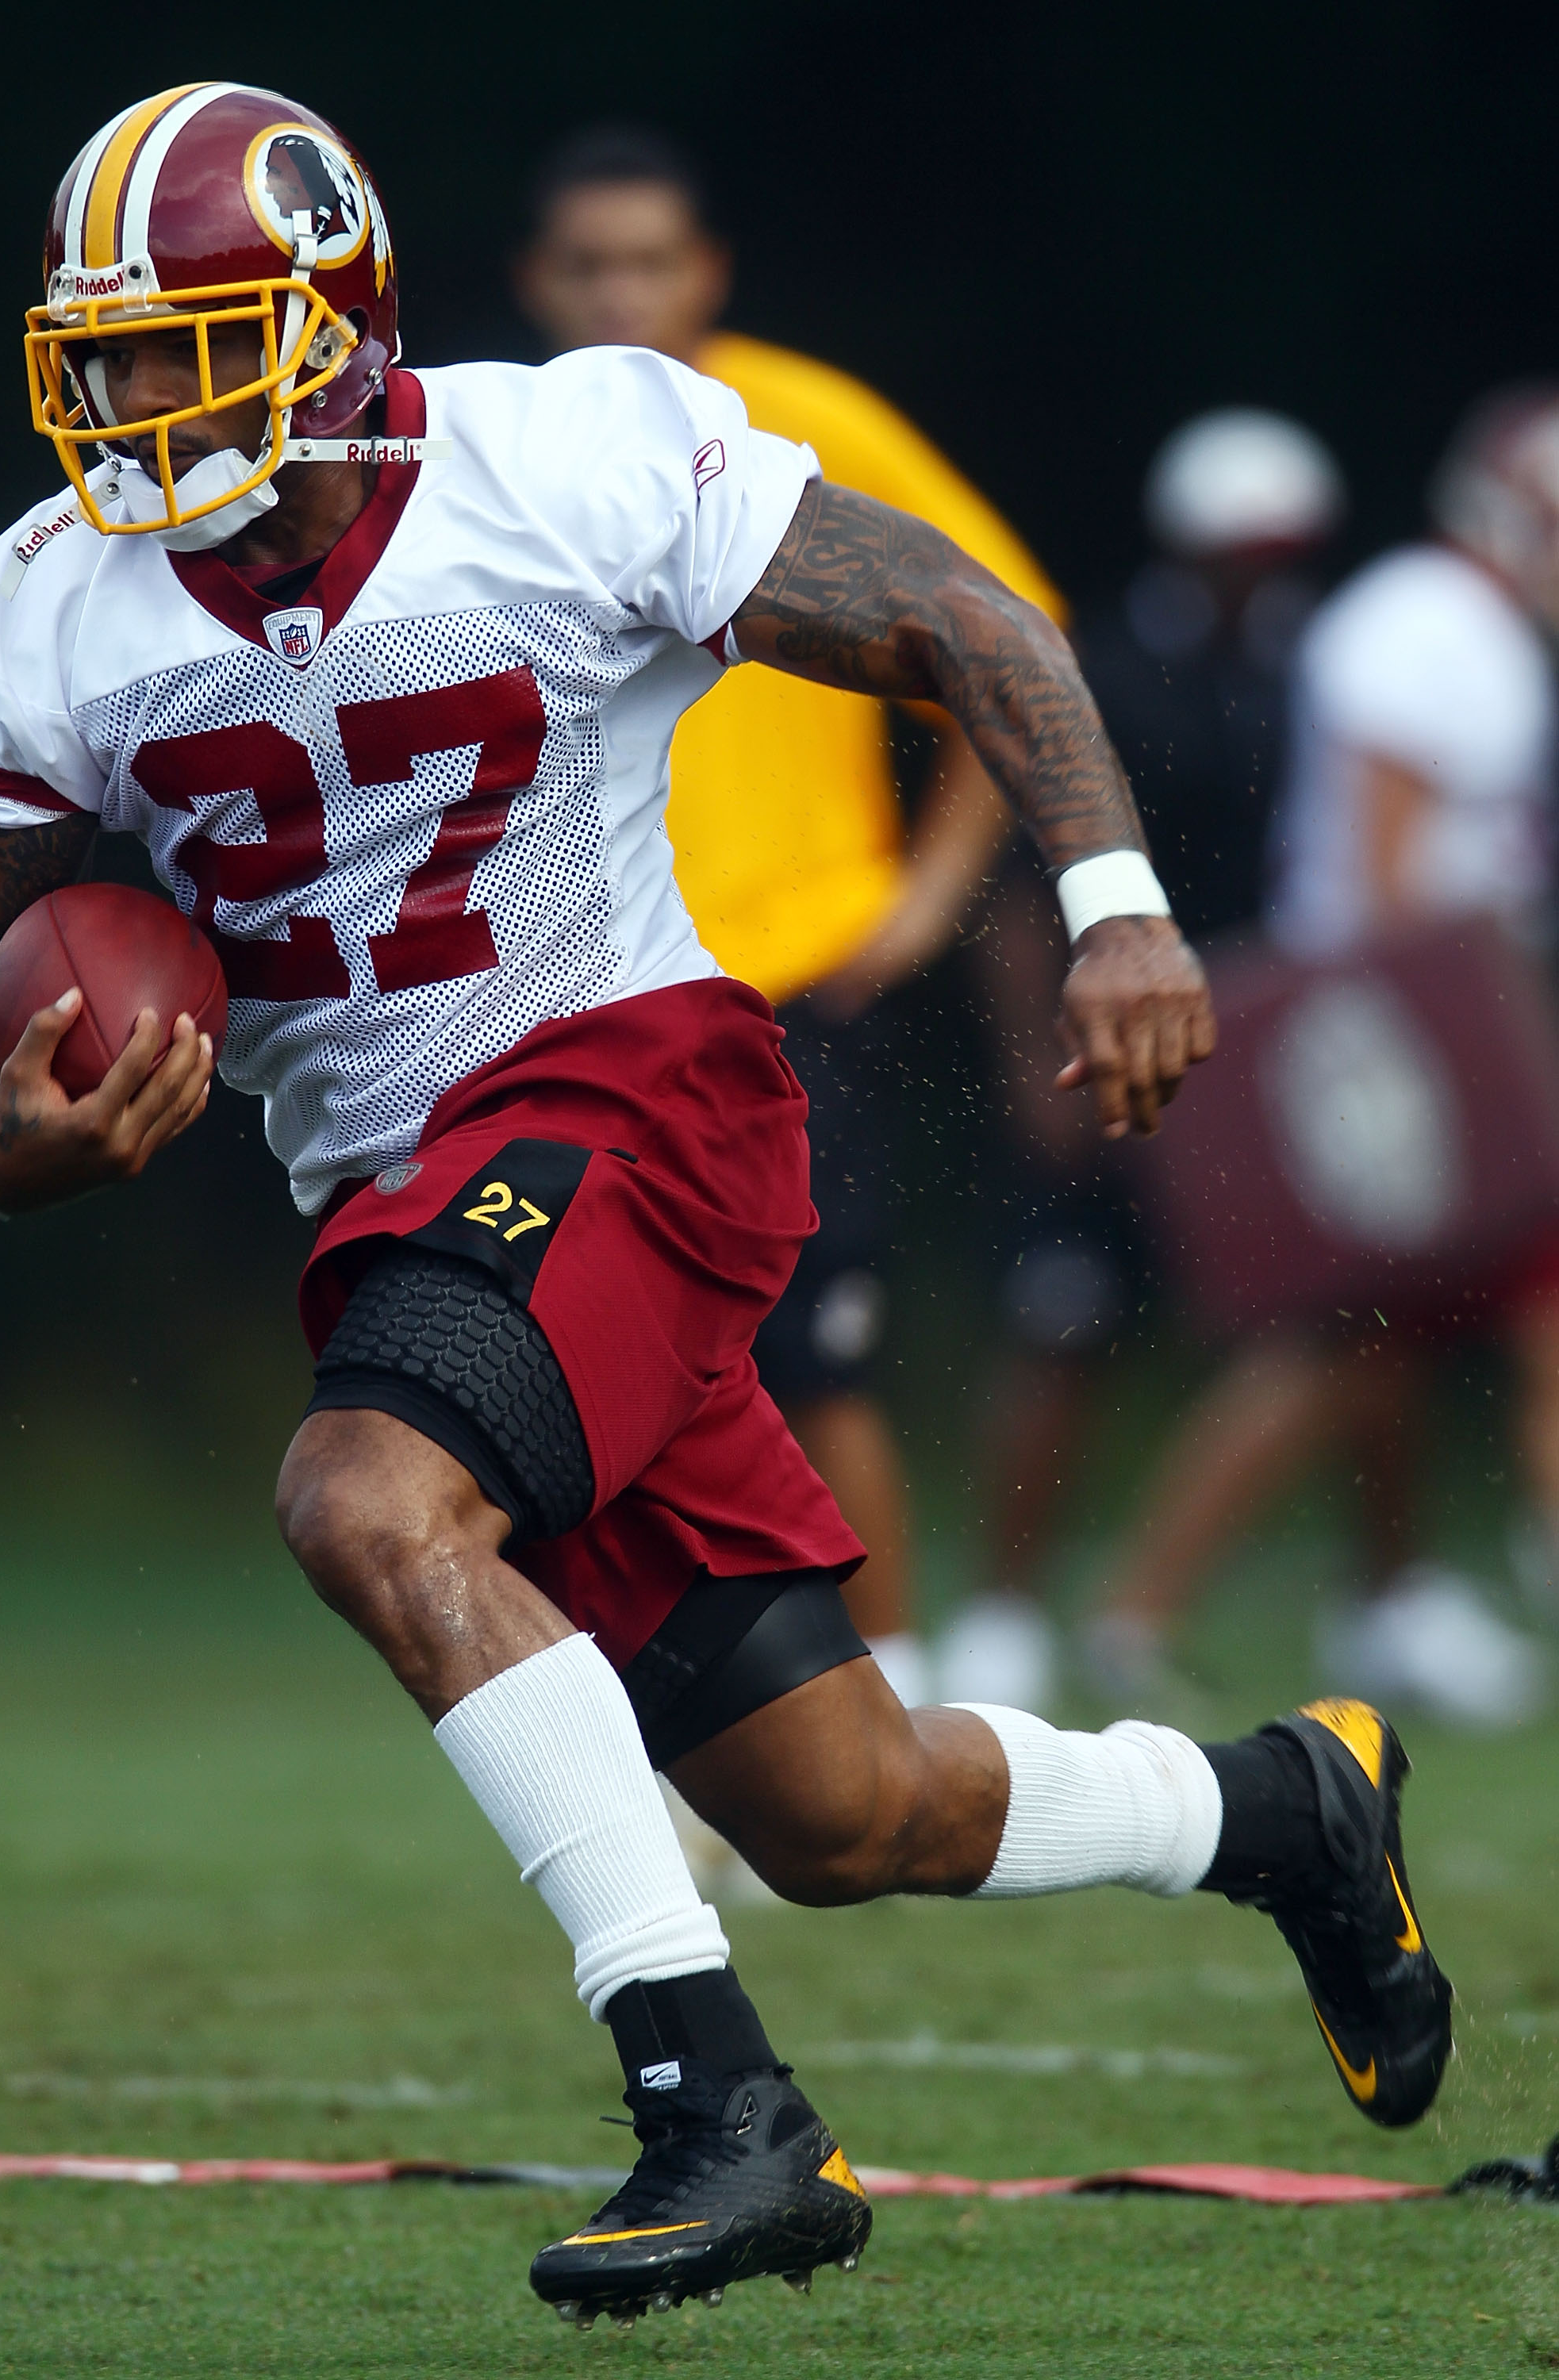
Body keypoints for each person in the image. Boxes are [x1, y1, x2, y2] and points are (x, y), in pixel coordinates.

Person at [0, 83, 1450, 2329]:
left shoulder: (568, 460)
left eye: (191, 342)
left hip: (634, 1096)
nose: (139, 402)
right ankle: (1292, 1808)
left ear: (333, 326)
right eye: (106, 353)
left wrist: (1115, 900)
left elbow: (962, 619)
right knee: (848, 1811)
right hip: (409, 1199)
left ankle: (716, 2110)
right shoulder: (40, 616)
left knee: (367, 1501)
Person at [513, 125, 1066, 1708]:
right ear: (535, 282)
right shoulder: (493, 455)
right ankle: (676, 1715)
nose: (620, 290)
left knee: (817, 1366)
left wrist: (926, 895)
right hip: (566, 1001)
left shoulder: (800, 422)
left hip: (779, 983)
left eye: (648, 258)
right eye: (587, 263)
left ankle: (898, 1708)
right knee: (591, 1383)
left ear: (706, 271)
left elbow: (1001, 628)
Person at [1091, 388, 1559, 1726]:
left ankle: (1173, 1609)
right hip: (1406, 1031)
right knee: (1423, 1328)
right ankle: (1160, 1609)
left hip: (1412, 1024)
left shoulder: (1455, 628)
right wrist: (1475, 1059)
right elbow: (1395, 880)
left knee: (1361, 1343)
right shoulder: (1437, 632)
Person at [954, 411, 1345, 1706]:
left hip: (1251, 1052)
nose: (1259, 570)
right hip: (1107, 1037)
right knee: (1065, 1318)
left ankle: (1175, 1604)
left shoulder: (1310, 671)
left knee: (1321, 1323)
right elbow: (1017, 891)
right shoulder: (1108, 668)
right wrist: (1031, 1060)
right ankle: (1004, 1609)